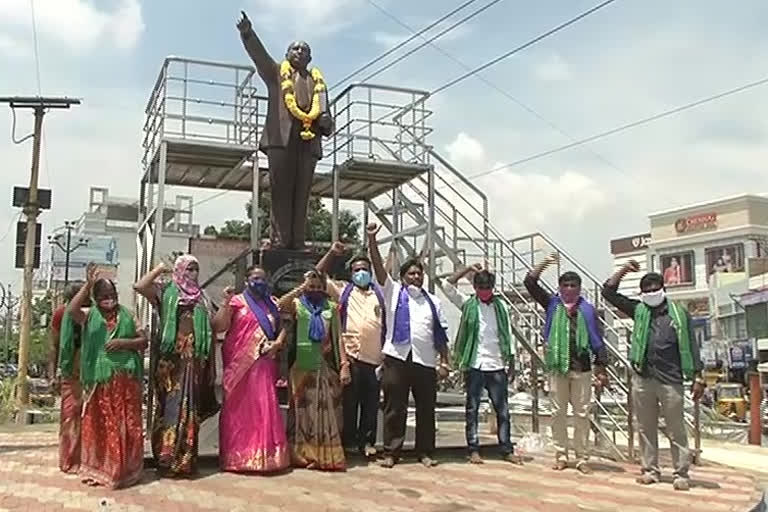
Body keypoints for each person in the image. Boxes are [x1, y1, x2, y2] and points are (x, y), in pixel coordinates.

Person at [602, 262, 704, 491]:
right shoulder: (639, 311)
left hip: (671, 379)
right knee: (645, 427)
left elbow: (692, 345)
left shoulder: (679, 314)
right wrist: (624, 270)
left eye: (654, 288)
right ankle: (650, 470)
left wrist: (698, 376)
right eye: (645, 290)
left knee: (676, 428)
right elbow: (608, 292)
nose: (650, 293)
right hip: (643, 377)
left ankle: (681, 473)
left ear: (663, 288)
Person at [236, 11, 333, 249]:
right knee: (280, 191)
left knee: (302, 194)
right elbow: (260, 57)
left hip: (309, 143)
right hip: (281, 139)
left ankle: (298, 241)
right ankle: (279, 240)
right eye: (295, 49)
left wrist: (326, 120)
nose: (300, 52)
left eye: (305, 50)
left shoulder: (318, 81)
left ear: (310, 57)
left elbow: (325, 110)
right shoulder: (277, 74)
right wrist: (248, 34)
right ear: (287, 54)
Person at [367, 222, 451, 469]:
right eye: (411, 274)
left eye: (419, 273)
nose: (416, 277)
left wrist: (445, 361)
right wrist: (372, 239)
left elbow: (440, 334)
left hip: (425, 361)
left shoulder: (433, 301)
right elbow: (379, 268)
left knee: (426, 409)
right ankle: (392, 452)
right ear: (403, 277)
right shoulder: (393, 292)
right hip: (397, 358)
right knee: (395, 407)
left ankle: (424, 452)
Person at [134, 254, 219, 477]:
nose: (192, 274)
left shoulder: (203, 298)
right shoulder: (166, 291)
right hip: (170, 364)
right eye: (188, 269)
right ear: (179, 269)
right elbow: (140, 286)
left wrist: (228, 304)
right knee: (169, 409)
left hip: (194, 362)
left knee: (190, 410)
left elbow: (215, 326)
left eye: (195, 269)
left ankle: (185, 462)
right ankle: (165, 459)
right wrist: (159, 269)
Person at [524, 253, 608, 474]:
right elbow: (530, 283)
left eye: (573, 285)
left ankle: (582, 457)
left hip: (582, 368)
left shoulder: (587, 310)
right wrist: (544, 264)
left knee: (582, 415)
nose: (569, 289)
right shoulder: (552, 304)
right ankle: (561, 454)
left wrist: (602, 367)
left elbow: (596, 338)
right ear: (559, 287)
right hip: (558, 368)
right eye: (565, 285)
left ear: (579, 288)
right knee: (557, 413)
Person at [65, 266, 146, 488]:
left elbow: (143, 341)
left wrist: (124, 343)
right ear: (96, 298)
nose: (109, 300)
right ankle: (101, 469)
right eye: (103, 297)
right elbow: (71, 310)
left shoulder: (128, 315)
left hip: (126, 381)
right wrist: (87, 286)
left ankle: (126, 471)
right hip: (100, 382)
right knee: (100, 425)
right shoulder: (90, 316)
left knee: (126, 425)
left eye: (112, 296)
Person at [212, 265, 290, 473]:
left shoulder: (271, 303)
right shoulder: (237, 302)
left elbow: (282, 327)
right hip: (240, 366)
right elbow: (219, 327)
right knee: (239, 410)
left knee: (262, 407)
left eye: (263, 278)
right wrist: (224, 303)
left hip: (264, 365)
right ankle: (237, 457)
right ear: (246, 281)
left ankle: (265, 457)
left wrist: (278, 343)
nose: (260, 282)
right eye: (256, 278)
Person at [443, 263, 521, 465]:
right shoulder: (468, 304)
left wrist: (511, 360)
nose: (484, 292)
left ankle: (506, 448)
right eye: (481, 288)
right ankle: (473, 448)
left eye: (488, 288)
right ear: (475, 288)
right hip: (475, 363)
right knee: (473, 408)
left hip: (496, 364)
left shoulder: (501, 306)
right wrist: (467, 268)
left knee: (502, 409)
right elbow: (447, 285)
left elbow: (508, 334)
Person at [315, 241, 385, 457]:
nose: (361, 273)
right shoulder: (343, 290)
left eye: (365, 269)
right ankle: (349, 443)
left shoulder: (381, 294)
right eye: (357, 270)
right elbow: (316, 274)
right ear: (351, 273)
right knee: (349, 404)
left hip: (376, 360)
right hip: (351, 358)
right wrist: (331, 254)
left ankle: (368, 442)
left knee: (371, 404)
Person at [278, 270, 351, 470]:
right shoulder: (297, 304)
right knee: (302, 413)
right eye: (312, 287)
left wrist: (344, 365)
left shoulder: (332, 308)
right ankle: (302, 456)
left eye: (319, 287)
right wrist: (302, 286)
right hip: (300, 366)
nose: (315, 290)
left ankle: (322, 456)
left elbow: (338, 338)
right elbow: (280, 305)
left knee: (322, 412)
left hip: (323, 366)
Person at [50, 283, 83, 474]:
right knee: (70, 417)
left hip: (92, 373)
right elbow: (54, 346)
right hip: (70, 374)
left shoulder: (95, 315)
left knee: (88, 418)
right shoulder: (61, 314)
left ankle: (87, 459)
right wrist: (53, 374)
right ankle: (69, 460)